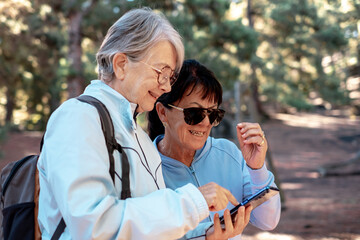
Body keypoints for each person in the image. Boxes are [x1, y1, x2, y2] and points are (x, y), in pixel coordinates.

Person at [37, 8, 241, 240]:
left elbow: (148, 230)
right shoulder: (78, 118)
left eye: (171, 77)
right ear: (122, 64)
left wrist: (205, 235)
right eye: (161, 72)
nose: (166, 87)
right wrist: (193, 202)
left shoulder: (138, 137)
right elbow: (93, 226)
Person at [148, 59, 281, 239]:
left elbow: (268, 221)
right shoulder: (145, 168)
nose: (206, 123)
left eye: (213, 114)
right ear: (163, 112)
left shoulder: (229, 153)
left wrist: (257, 168)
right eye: (194, 113)